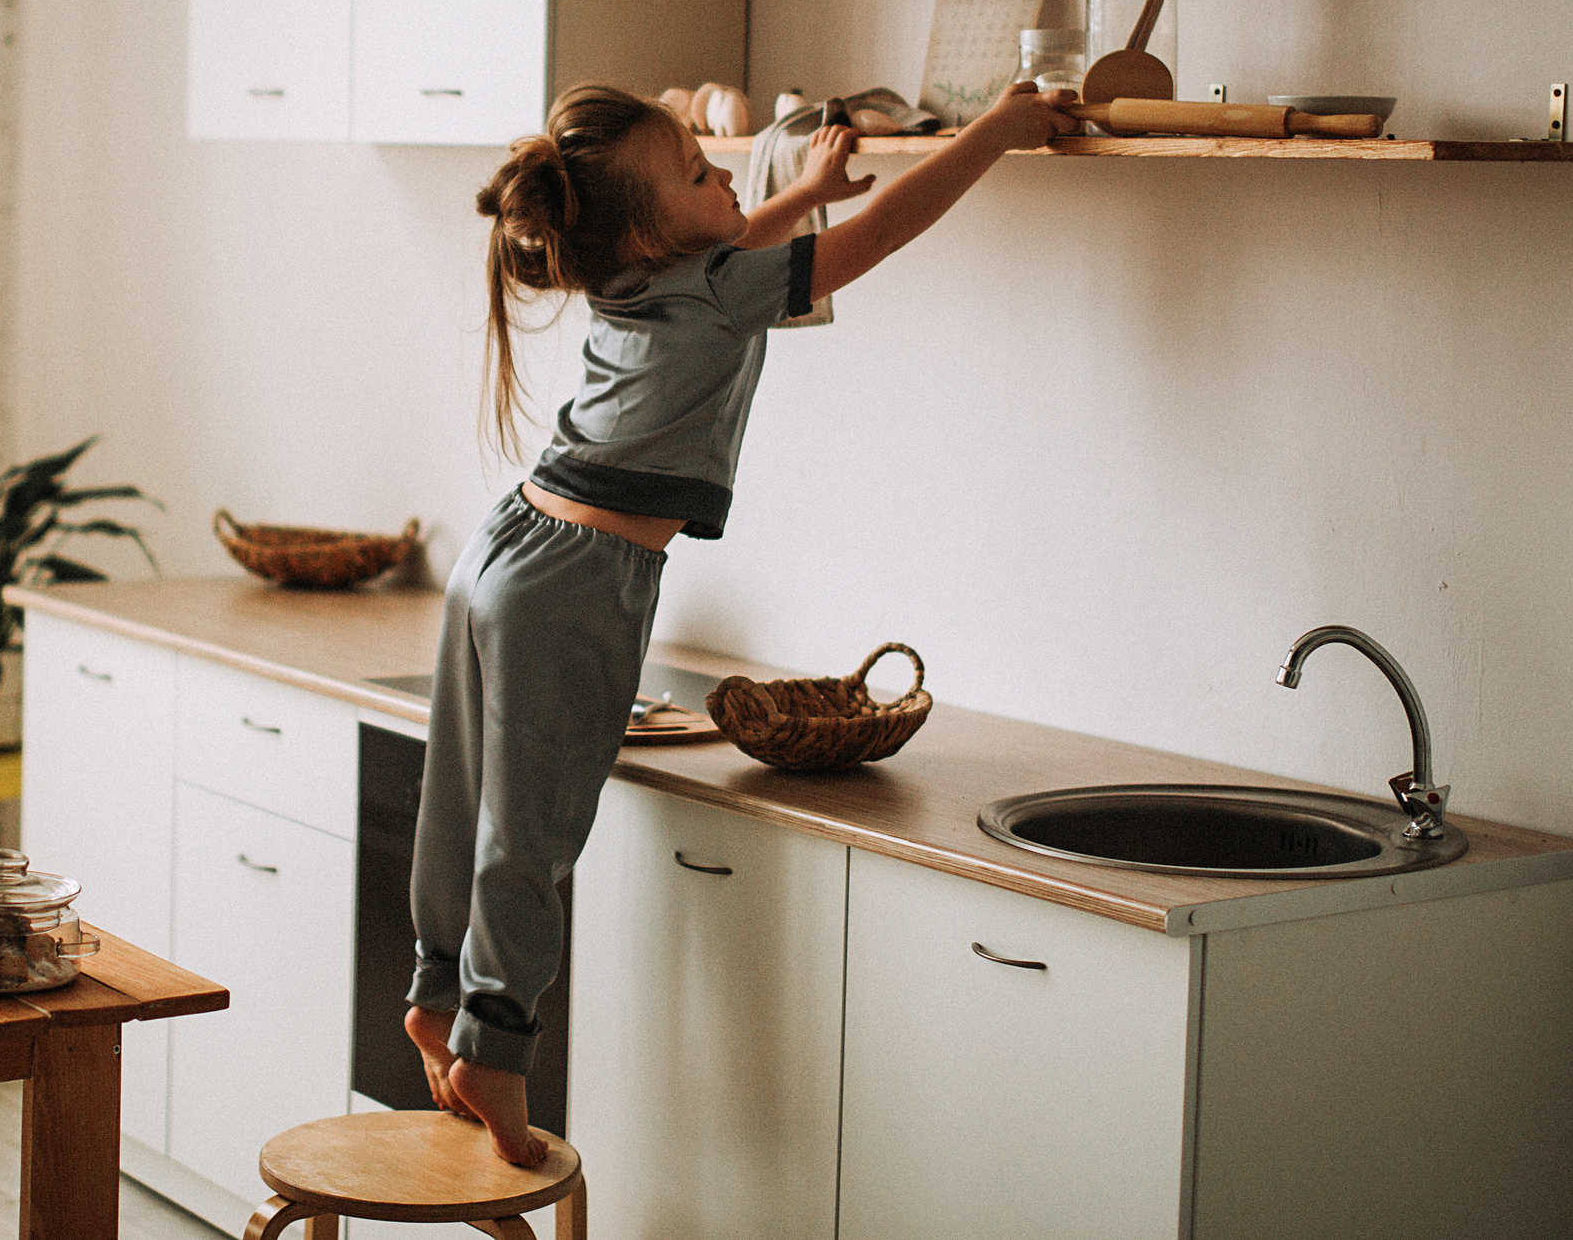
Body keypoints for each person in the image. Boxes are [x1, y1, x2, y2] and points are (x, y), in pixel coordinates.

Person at [407, 80, 1078, 1164]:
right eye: (697, 171)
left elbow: (720, 251)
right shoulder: (714, 283)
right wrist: (993, 135)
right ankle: (493, 1045)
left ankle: (440, 995)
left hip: (511, 541)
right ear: (646, 225)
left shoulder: (632, 269)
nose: (724, 176)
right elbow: (884, 232)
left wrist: (799, 187)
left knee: (465, 795)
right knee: (528, 832)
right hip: (579, 581)